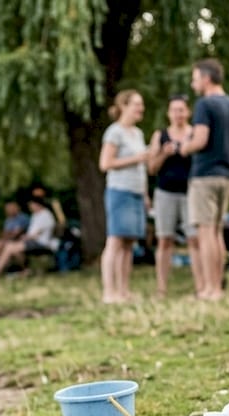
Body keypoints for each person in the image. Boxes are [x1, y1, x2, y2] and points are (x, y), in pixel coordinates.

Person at [182, 59, 229, 301]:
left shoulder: (205, 104)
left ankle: (210, 290)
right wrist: (225, 149)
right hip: (227, 176)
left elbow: (200, 140)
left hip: (205, 175)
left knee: (205, 232)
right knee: (217, 233)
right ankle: (217, 288)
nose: (193, 83)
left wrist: (184, 147)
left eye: (195, 78)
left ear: (206, 78)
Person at [98, 89, 149, 304]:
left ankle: (123, 291)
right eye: (137, 104)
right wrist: (137, 158)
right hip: (119, 192)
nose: (141, 108)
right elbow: (105, 164)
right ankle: (109, 292)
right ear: (124, 106)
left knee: (129, 244)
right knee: (115, 241)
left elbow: (142, 168)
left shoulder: (137, 134)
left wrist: (145, 194)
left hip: (136, 192)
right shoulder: (114, 132)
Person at [146, 95, 193, 298]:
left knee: (195, 239)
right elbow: (151, 168)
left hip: (191, 192)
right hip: (165, 192)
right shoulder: (160, 135)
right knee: (165, 240)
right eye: (174, 110)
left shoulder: (195, 134)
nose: (178, 114)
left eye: (181, 110)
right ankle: (161, 288)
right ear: (168, 113)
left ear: (187, 112)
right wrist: (164, 153)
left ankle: (201, 286)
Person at [0, 195, 57, 277]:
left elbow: (36, 234)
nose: (30, 207)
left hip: (41, 243)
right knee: (12, 248)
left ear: (37, 204)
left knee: (10, 247)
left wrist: (25, 237)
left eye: (31, 205)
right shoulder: (36, 215)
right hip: (32, 241)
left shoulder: (46, 215)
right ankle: (22, 270)